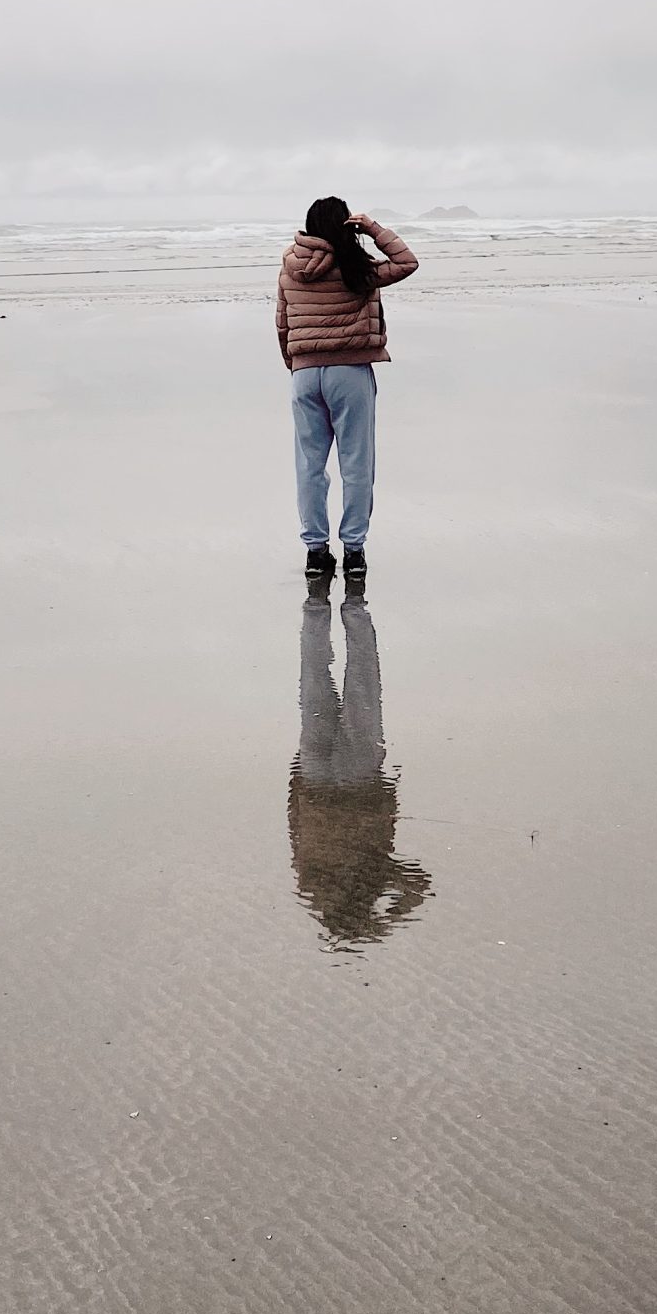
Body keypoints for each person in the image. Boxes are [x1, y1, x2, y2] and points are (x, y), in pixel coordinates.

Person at [276, 197, 418, 580]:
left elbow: (283, 323)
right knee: (356, 464)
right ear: (346, 227)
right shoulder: (356, 267)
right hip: (350, 372)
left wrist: (297, 366)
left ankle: (315, 551)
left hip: (305, 375)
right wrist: (372, 227)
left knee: (309, 464)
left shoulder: (290, 266)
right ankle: (354, 551)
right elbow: (407, 263)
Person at [288, 582, 429, 948]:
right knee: (315, 673)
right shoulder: (312, 882)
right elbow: (294, 828)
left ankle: (352, 607)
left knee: (361, 677)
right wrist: (296, 780)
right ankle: (322, 606)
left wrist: (386, 923)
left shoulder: (370, 875)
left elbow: (418, 887)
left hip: (356, 778)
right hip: (319, 778)